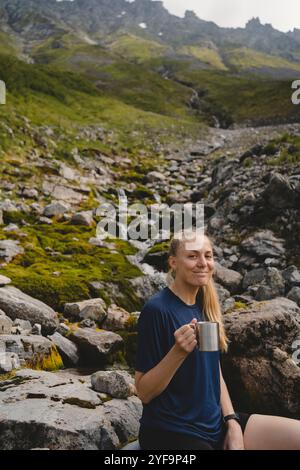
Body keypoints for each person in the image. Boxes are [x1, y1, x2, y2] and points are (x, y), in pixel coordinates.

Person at [135, 229, 300, 450]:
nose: (203, 263)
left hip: (216, 425)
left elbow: (214, 371)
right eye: (193, 256)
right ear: (173, 262)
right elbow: (144, 392)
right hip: (173, 432)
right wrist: (178, 352)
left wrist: (231, 422)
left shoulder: (205, 306)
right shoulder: (157, 310)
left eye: (208, 255)